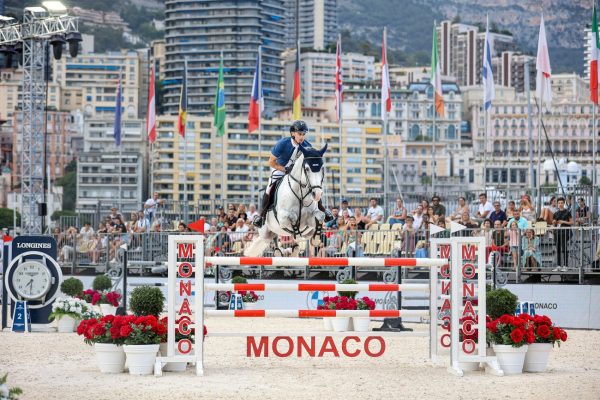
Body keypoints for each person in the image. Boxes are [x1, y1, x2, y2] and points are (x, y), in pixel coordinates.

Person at [253, 120, 333, 227]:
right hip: (280, 169)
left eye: (303, 134)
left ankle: (322, 209)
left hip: (296, 173)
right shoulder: (283, 143)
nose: (302, 137)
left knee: (312, 185)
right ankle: (262, 215)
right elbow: (271, 162)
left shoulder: (307, 145)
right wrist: (284, 170)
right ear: (293, 133)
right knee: (270, 187)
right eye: (299, 134)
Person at [552, 197, 572, 271]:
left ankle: (565, 266)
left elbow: (571, 222)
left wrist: (563, 222)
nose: (560, 204)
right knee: (558, 249)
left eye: (561, 203)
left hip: (565, 232)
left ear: (564, 203)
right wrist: (554, 222)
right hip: (557, 233)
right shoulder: (556, 213)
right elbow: (554, 223)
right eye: (559, 203)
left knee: (564, 249)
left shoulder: (567, 212)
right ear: (557, 204)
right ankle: (558, 265)